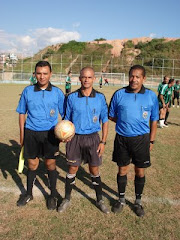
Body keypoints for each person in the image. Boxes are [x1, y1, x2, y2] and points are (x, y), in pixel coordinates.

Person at [109, 65, 159, 217]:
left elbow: (154, 120)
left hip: (141, 140)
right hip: (122, 139)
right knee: (122, 170)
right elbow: (111, 115)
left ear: (144, 78)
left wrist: (151, 141)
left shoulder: (151, 96)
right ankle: (121, 199)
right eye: (131, 76)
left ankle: (138, 202)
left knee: (139, 171)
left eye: (137, 77)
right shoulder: (119, 94)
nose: (134, 79)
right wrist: (124, 122)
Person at [58, 67, 109, 214]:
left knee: (94, 169)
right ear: (79, 79)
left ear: (94, 79)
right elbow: (66, 119)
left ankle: (99, 199)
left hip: (93, 138)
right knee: (72, 168)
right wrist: (64, 134)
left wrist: (103, 141)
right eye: (84, 77)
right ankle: (67, 198)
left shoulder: (100, 97)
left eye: (89, 77)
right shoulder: (72, 97)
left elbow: (105, 121)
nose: (86, 80)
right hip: (75, 138)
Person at [16, 61, 65, 210]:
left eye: (45, 73)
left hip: (50, 134)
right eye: (39, 73)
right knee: (32, 164)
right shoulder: (27, 91)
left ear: (50, 74)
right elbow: (22, 113)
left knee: (50, 164)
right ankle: (29, 193)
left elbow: (65, 115)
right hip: (31, 132)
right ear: (35, 74)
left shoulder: (57, 92)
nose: (42, 76)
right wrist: (22, 134)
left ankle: (52, 196)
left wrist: (64, 132)